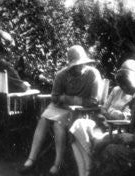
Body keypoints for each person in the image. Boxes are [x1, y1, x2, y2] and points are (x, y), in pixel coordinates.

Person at [19, 45, 102, 175]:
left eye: (82, 64)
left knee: (58, 125)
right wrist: (60, 99)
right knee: (43, 120)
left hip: (81, 112)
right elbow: (54, 97)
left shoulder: (93, 74)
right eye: (76, 65)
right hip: (60, 107)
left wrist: (69, 99)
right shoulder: (62, 75)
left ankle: (57, 164)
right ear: (70, 66)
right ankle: (31, 159)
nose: (80, 67)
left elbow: (94, 101)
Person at [68, 59, 135, 176]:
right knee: (78, 124)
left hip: (116, 129)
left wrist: (110, 112)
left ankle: (87, 170)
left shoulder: (134, 94)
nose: (122, 77)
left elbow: (125, 116)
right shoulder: (116, 90)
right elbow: (103, 109)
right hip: (102, 122)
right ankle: (85, 170)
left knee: (77, 132)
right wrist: (112, 112)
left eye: (125, 73)